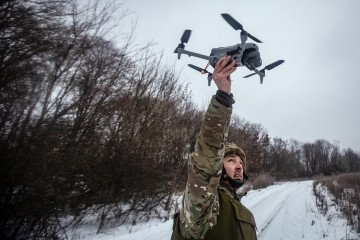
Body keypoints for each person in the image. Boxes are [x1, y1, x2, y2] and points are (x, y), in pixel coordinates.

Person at [171, 56, 257, 240]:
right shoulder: (207, 204)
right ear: (218, 165)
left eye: (241, 162)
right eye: (231, 160)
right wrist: (223, 97)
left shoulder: (239, 208)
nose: (239, 166)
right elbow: (207, 155)